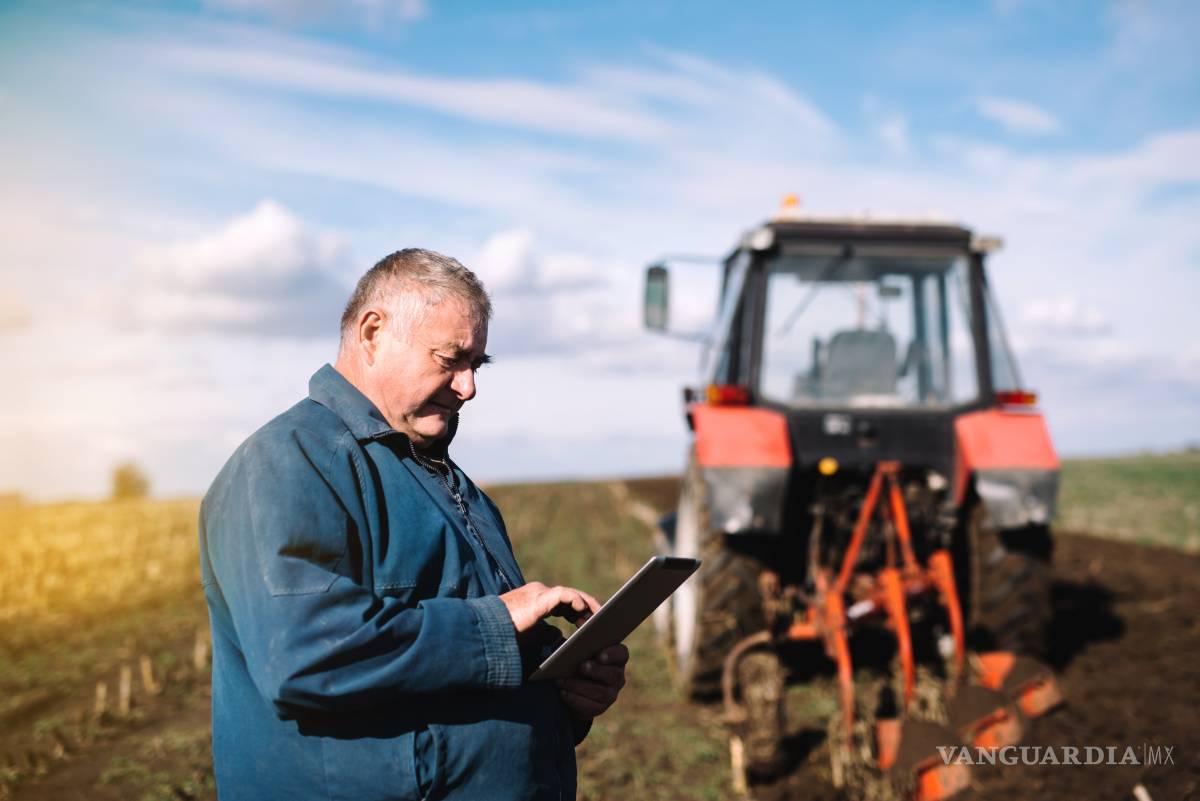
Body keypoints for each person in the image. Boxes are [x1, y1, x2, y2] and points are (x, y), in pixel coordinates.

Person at [199, 248, 628, 801]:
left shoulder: (450, 483)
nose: (468, 386)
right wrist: (498, 623)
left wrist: (564, 695)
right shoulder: (288, 462)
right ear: (372, 333)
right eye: (450, 359)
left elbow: (457, 681)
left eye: (477, 365)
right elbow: (305, 655)